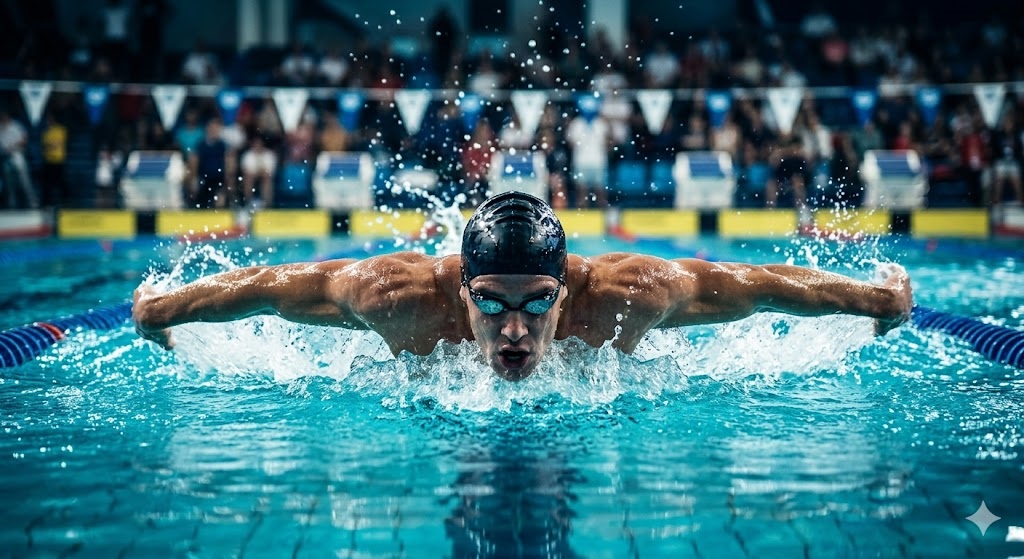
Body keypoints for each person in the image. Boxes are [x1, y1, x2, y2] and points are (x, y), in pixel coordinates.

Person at [133, 192, 913, 381]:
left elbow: (758, 283)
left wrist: (875, 300)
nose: (515, 328)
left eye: (538, 301)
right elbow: (271, 285)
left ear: (566, 291)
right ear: (461, 290)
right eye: (492, 303)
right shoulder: (397, 297)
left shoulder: (625, 294)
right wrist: (162, 309)